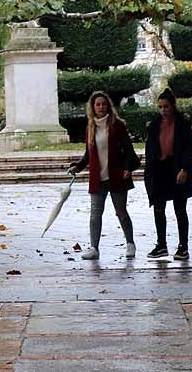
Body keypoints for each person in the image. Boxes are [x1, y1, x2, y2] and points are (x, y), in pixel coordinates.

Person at [68, 91, 140, 261]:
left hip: (117, 176)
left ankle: (130, 243)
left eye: (104, 104)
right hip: (97, 178)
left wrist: (128, 168)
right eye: (98, 104)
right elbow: (88, 154)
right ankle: (94, 248)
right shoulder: (90, 127)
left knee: (121, 212)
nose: (101, 107)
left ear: (108, 106)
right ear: (93, 108)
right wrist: (77, 167)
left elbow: (129, 150)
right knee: (95, 214)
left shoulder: (117, 125)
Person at [144, 88, 192, 260]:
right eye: (160, 107)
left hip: (177, 169)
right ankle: (161, 245)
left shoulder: (182, 123)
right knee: (158, 209)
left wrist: (185, 169)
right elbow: (150, 148)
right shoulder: (154, 124)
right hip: (159, 170)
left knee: (180, 210)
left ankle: (183, 247)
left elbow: (189, 148)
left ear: (173, 106)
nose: (163, 110)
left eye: (166, 107)